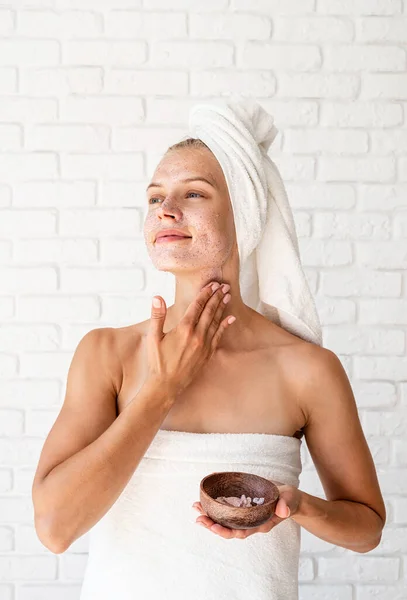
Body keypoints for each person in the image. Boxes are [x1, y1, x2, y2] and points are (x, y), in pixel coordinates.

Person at [32, 130, 386, 600]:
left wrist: (295, 506)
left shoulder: (306, 369)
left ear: (246, 214)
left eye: (193, 193)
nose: (165, 209)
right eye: (155, 196)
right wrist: (163, 388)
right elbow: (55, 529)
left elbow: (366, 528)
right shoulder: (106, 355)